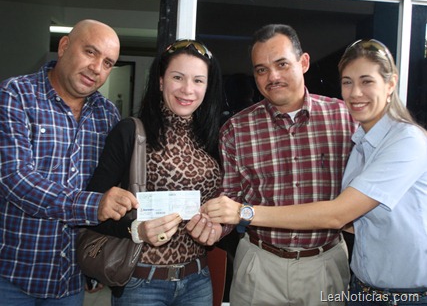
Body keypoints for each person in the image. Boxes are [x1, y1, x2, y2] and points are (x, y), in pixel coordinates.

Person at [202, 38, 427, 305]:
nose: (355, 93)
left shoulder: (355, 123)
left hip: (388, 288)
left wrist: (244, 212)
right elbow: (230, 196)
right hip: (286, 270)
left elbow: (338, 214)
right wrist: (216, 224)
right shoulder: (361, 141)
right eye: (347, 82)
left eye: (367, 81)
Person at [189, 23, 357, 305]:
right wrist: (216, 227)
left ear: (303, 62)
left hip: (325, 262)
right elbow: (231, 197)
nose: (272, 76)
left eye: (281, 64)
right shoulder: (236, 129)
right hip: (259, 264)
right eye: (261, 69)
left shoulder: (344, 119)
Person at [0, 19, 139, 305]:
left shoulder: (107, 114)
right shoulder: (15, 96)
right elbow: (14, 179)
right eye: (90, 52)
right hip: (11, 275)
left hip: (70, 280)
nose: (97, 68)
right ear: (64, 47)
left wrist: (96, 261)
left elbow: (107, 185)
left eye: (108, 62)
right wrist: (93, 206)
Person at [85, 39, 223, 305]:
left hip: (197, 279)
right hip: (142, 282)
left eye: (198, 81)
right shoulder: (131, 132)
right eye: (177, 77)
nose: (187, 89)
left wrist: (217, 226)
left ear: (207, 87)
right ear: (161, 81)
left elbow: (221, 203)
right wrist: (136, 229)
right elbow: (93, 206)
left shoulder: (212, 138)